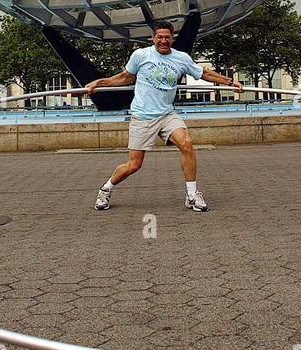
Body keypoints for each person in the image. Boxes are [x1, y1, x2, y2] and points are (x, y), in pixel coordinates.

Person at [85, 20, 243, 213]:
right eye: (159, 37)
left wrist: (229, 82)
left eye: (167, 37)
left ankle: (192, 195)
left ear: (172, 38)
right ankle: (106, 189)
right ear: (153, 38)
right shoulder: (141, 55)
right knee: (134, 165)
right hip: (143, 116)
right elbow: (124, 77)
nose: (163, 40)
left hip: (167, 114)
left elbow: (204, 73)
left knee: (186, 143)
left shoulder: (181, 58)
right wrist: (97, 84)